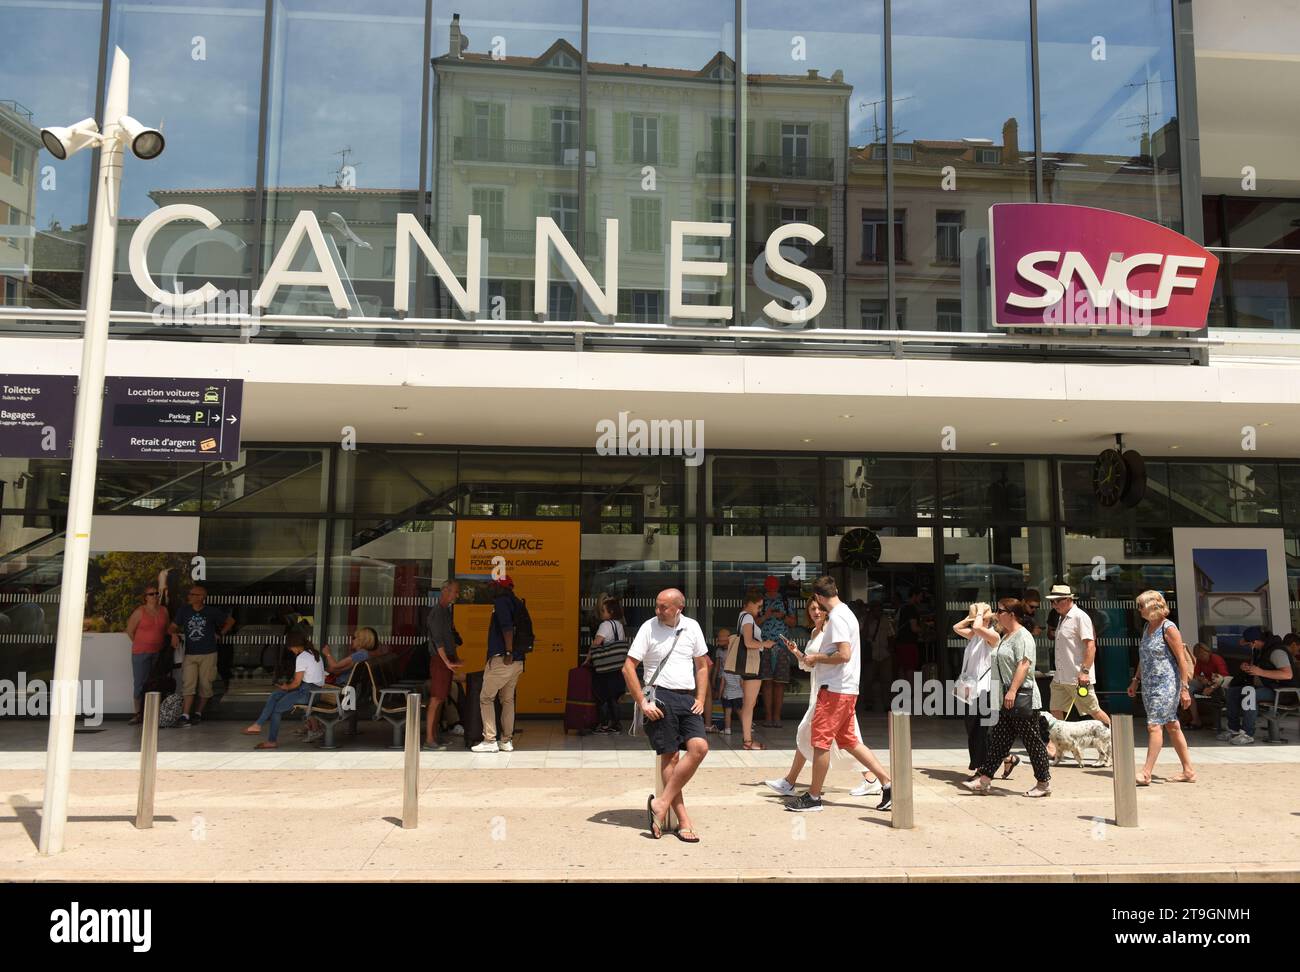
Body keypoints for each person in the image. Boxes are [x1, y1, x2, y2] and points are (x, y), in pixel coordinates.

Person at [782, 576, 892, 813]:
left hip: (834, 689)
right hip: (845, 688)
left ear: (820, 598)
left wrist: (816, 658)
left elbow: (844, 654)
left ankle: (813, 797)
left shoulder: (838, 618)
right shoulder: (847, 613)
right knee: (850, 741)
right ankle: (887, 783)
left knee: (820, 742)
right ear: (836, 591)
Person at [764, 598, 882, 801]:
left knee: (821, 735)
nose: (816, 612)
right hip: (821, 688)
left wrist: (815, 659)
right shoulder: (814, 632)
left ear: (826, 610)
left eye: (819, 608)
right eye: (811, 609)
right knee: (831, 737)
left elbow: (837, 657)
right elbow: (810, 664)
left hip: (832, 691)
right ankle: (876, 779)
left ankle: (795, 784)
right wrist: (797, 653)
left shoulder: (832, 628)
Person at [625, 588, 710, 842]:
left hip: (686, 697)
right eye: (657, 605)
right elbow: (628, 667)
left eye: (664, 607)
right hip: (657, 694)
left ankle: (661, 803)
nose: (658, 611)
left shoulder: (692, 627)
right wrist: (642, 701)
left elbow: (703, 665)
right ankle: (683, 820)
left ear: (679, 608)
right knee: (670, 757)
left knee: (699, 748)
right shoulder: (648, 628)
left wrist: (701, 698)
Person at [962, 598, 1052, 797]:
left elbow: (1024, 665)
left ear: (1012, 614)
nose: (996, 614)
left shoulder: (1023, 636)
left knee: (1033, 742)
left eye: (1000, 610)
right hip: (1006, 700)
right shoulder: (1006, 636)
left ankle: (1043, 783)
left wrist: (1012, 691)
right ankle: (984, 780)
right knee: (998, 743)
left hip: (1021, 698)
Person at [1128, 590, 1196, 783]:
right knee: (1172, 726)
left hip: (1166, 685)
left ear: (1151, 606)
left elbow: (1182, 661)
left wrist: (1184, 688)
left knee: (1154, 726)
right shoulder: (1148, 628)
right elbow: (1145, 657)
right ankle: (1188, 771)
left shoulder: (1169, 628)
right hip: (1150, 685)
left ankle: (1146, 772)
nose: (1138, 609)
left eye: (1141, 605)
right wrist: (1136, 679)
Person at [1044, 584, 1110, 760]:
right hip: (1061, 676)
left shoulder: (1080, 617)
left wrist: (1085, 671)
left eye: (1057, 601)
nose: (1054, 605)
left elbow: (1090, 645)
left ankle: (1116, 739)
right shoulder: (1061, 618)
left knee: (1093, 710)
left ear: (1068, 600)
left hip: (1077, 676)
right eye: (1052, 602)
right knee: (1056, 709)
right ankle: (1054, 745)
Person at [242, 630, 325, 749]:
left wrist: (287, 687)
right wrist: (287, 687)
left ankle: (271, 741)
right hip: (315, 692)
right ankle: (258, 724)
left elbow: (296, 683)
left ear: (294, 645)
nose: (290, 650)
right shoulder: (314, 653)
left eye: (290, 647)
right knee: (275, 695)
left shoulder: (302, 657)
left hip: (307, 693)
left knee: (277, 709)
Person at [472, 576, 525, 753]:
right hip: (518, 661)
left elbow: (507, 628)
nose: (490, 589)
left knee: (486, 698)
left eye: (493, 586)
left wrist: (508, 652)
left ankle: (489, 739)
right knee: (508, 699)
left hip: (503, 659)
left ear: (500, 587)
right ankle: (506, 740)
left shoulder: (501, 602)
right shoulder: (517, 603)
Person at [169, 584, 234, 727]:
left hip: (208, 653)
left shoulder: (211, 612)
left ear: (201, 597)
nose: (189, 596)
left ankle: (198, 713)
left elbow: (230, 621)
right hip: (190, 654)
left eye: (193, 594)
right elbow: (172, 626)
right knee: (188, 684)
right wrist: (173, 634)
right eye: (190, 594)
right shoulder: (184, 611)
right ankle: (185, 715)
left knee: (205, 684)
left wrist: (220, 634)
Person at [1221, 626, 1296, 745]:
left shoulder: (1276, 651)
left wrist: (1260, 672)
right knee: (1233, 692)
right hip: (1266, 687)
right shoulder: (1259, 651)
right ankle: (1233, 729)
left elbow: (1287, 674)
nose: (1248, 647)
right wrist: (1247, 668)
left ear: (1254, 642)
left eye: (1248, 644)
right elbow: (1257, 669)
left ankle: (1247, 733)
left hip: (1282, 692)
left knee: (1249, 693)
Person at [953, 602, 998, 780]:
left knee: (981, 730)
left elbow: (979, 628)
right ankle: (1006, 758)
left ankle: (982, 769)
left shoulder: (992, 635)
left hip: (985, 689)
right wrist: (971, 617)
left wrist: (979, 614)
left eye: (976, 619)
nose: (973, 623)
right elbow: (956, 627)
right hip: (971, 690)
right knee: (971, 727)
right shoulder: (975, 635)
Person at [735, 588, 775, 751]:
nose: (759, 610)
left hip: (748, 664)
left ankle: (748, 740)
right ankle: (748, 741)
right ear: (750, 603)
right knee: (749, 703)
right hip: (752, 664)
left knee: (749, 703)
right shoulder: (747, 618)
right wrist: (765, 644)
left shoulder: (743, 617)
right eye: (758, 606)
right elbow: (749, 642)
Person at [425, 581, 463, 748]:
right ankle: (429, 739)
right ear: (445, 591)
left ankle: (435, 736)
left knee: (441, 698)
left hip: (446, 659)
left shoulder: (446, 612)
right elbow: (438, 640)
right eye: (455, 591)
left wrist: (454, 658)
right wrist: (447, 661)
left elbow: (448, 638)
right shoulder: (437, 613)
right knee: (436, 699)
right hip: (440, 660)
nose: (457, 595)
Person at [125, 583, 170, 726]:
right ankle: (138, 713)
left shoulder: (164, 611)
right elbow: (130, 630)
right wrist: (141, 643)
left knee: (154, 683)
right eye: (151, 594)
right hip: (141, 652)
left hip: (158, 652)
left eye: (157, 593)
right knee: (140, 683)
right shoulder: (140, 611)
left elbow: (167, 628)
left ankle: (151, 712)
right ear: (145, 598)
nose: (155, 596)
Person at [587, 595, 630, 733]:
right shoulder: (619, 625)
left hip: (605, 667)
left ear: (610, 612)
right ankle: (616, 724)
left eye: (604, 611)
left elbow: (596, 643)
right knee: (614, 697)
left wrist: (587, 659)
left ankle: (604, 724)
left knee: (602, 696)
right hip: (617, 666)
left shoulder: (605, 625)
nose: (601, 613)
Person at [759, 575, 795, 728]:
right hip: (764, 646)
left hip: (782, 647)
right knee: (766, 682)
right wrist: (766, 616)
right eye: (770, 589)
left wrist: (783, 616)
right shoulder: (760, 602)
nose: (772, 592)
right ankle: (768, 717)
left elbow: (793, 623)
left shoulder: (786, 602)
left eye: (774, 589)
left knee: (779, 683)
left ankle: (777, 717)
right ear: (766, 588)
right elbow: (753, 623)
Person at [1184, 642, 1228, 729]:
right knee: (1189, 687)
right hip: (1208, 683)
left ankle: (1216, 723)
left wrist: (1211, 687)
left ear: (1208, 652)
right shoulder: (1200, 661)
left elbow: (1224, 677)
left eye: (1203, 655)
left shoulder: (1215, 659)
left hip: (1220, 684)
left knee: (1217, 690)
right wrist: (1202, 679)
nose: (1202, 658)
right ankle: (1196, 719)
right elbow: (1196, 675)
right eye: (1199, 656)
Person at [859, 601, 893, 713]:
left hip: (884, 654)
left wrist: (891, 651)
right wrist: (868, 622)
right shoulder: (866, 620)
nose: (878, 611)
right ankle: (868, 702)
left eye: (879, 609)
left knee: (886, 680)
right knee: (868, 680)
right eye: (875, 609)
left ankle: (887, 703)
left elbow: (891, 635)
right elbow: (862, 635)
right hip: (871, 655)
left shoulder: (886, 621)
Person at [894, 589, 923, 680]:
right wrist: (924, 630)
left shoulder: (902, 608)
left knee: (902, 667)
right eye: (920, 596)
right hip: (909, 643)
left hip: (901, 642)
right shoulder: (911, 609)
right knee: (910, 668)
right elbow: (914, 628)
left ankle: (903, 692)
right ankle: (911, 691)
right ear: (915, 595)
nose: (921, 599)